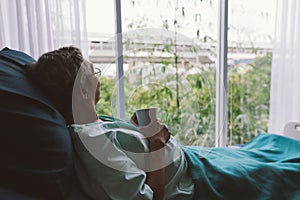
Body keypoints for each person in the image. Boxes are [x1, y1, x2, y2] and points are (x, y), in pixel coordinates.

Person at [26, 46, 300, 200]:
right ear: (83, 91)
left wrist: (140, 133)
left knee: (271, 148)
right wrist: (156, 148)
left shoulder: (94, 124)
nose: (99, 77)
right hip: (194, 181)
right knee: (279, 175)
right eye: (93, 73)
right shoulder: (90, 141)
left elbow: (127, 153)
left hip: (195, 161)